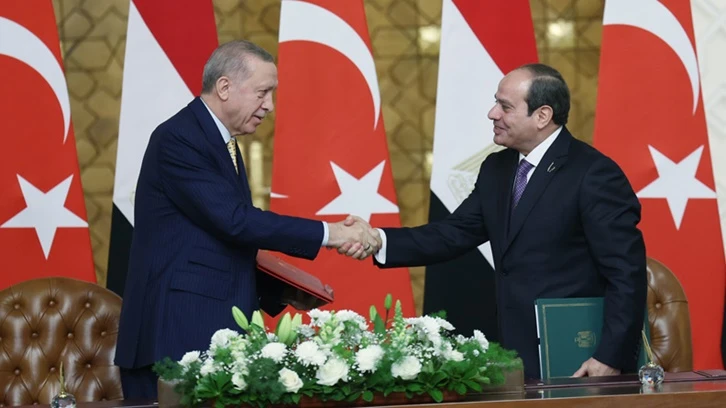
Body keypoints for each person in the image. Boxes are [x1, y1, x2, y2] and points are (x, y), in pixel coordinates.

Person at [341, 63, 647, 380]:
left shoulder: (593, 173)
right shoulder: (497, 168)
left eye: (505, 106)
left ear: (542, 116)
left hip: (577, 351)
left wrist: (610, 356)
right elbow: (454, 233)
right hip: (514, 350)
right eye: (495, 102)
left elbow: (626, 272)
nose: (492, 113)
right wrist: (378, 240)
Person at [114, 40, 381, 400]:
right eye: (262, 92)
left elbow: (217, 244)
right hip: (175, 333)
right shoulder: (179, 138)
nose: (269, 105)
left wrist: (284, 290)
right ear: (224, 87)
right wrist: (328, 233)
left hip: (206, 330)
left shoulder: (220, 141)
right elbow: (236, 222)